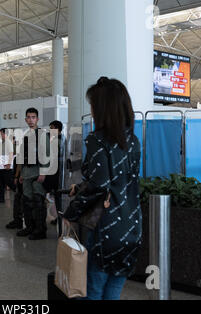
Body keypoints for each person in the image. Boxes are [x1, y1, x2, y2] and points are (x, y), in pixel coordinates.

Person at [63, 76, 142, 300]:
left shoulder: (97, 140)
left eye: (93, 105)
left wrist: (72, 212)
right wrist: (80, 187)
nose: (92, 110)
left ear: (102, 108)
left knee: (94, 290)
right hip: (132, 226)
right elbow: (117, 181)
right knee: (113, 291)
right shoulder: (133, 140)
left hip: (106, 229)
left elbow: (99, 185)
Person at [17, 108, 51, 240]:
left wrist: (43, 172)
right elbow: (22, 156)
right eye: (28, 117)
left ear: (37, 119)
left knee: (38, 202)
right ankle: (30, 227)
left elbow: (47, 154)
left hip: (38, 173)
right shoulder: (26, 136)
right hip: (27, 173)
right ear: (26, 119)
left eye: (33, 117)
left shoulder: (42, 135)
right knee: (26, 202)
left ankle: (40, 230)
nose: (31, 120)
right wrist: (21, 174)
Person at [0, 128, 16, 203]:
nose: (0, 135)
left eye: (1, 134)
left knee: (9, 182)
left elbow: (11, 153)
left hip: (6, 166)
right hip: (0, 166)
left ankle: (19, 191)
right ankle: (0, 199)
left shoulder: (8, 142)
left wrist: (9, 164)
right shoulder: (1, 143)